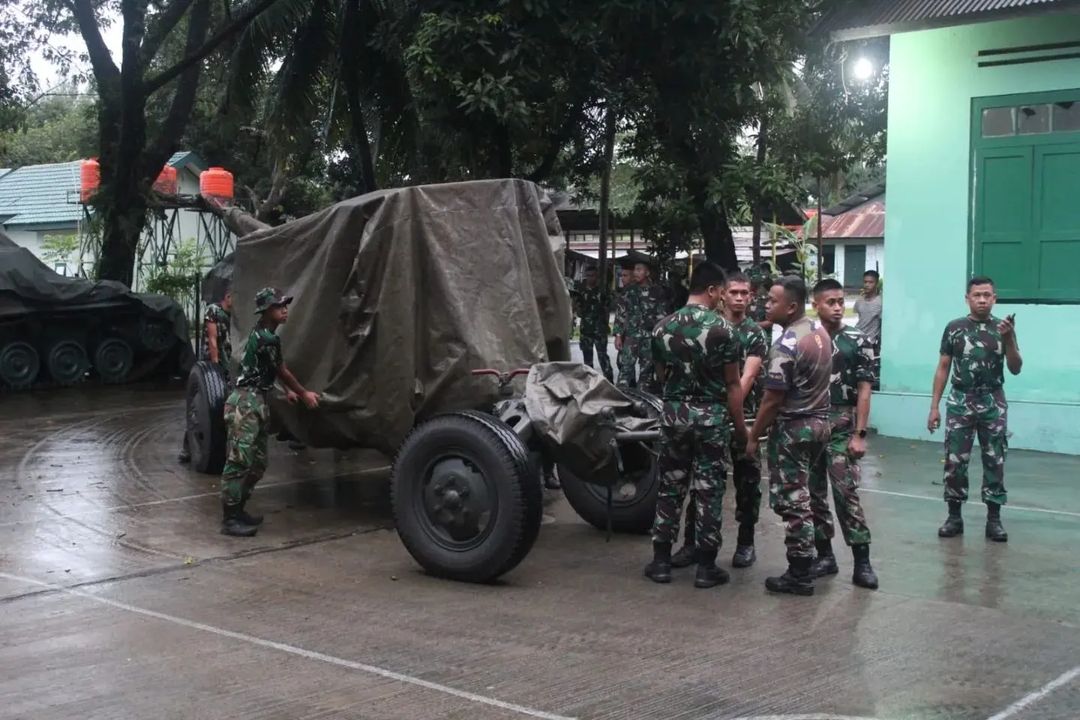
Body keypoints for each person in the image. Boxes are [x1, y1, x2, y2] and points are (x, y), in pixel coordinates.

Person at [643, 261, 748, 589]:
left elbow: (660, 376)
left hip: (673, 416)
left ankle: (661, 562)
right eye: (722, 291)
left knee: (670, 487)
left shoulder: (661, 328)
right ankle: (705, 567)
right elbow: (733, 385)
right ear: (714, 290)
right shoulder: (724, 331)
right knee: (709, 490)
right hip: (710, 420)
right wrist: (741, 429)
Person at [671, 271, 767, 569]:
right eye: (734, 292)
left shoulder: (754, 333)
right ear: (722, 294)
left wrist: (731, 406)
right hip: (707, 417)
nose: (740, 298)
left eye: (745, 293)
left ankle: (745, 543)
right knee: (702, 483)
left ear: (751, 296)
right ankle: (691, 544)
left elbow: (747, 377)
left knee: (747, 480)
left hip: (744, 418)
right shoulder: (708, 326)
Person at [746, 276, 832, 596]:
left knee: (793, 501)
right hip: (819, 424)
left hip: (794, 430)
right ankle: (813, 559)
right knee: (808, 496)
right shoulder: (819, 333)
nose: (766, 305)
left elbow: (771, 400)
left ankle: (799, 573)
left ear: (791, 306)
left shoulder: (786, 346)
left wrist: (754, 436)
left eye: (772, 301)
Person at [220, 287, 320, 537]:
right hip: (245, 403)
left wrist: (283, 391)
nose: (285, 309)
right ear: (266, 311)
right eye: (278, 306)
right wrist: (304, 392)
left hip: (256, 400)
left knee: (257, 463)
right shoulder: (267, 338)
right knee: (240, 461)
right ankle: (230, 518)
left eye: (285, 304)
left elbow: (263, 371)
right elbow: (282, 370)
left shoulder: (263, 334)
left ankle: (239, 509)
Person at [928, 276, 1022, 543]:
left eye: (987, 295)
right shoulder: (954, 328)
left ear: (995, 298)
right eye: (977, 295)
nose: (982, 300)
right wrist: (934, 406)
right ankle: (954, 516)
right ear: (967, 298)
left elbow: (1015, 367)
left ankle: (994, 519)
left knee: (995, 459)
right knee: (955, 460)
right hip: (960, 401)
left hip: (993, 401)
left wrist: (1010, 337)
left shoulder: (1002, 329)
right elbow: (943, 367)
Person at [808, 279, 878, 589]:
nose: (837, 307)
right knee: (812, 495)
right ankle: (824, 555)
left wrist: (860, 434)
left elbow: (864, 389)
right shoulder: (804, 338)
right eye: (830, 302)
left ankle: (862, 562)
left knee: (845, 491)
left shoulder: (858, 339)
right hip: (809, 422)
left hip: (842, 422)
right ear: (816, 304)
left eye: (840, 302)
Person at [179, 289, 234, 464]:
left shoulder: (233, 315)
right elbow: (212, 340)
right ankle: (188, 447)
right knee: (201, 408)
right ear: (227, 296)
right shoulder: (213, 311)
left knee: (224, 408)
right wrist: (216, 366)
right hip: (209, 368)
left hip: (227, 364)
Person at [614, 260, 667, 393]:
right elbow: (620, 312)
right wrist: (618, 335)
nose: (636, 273)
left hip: (649, 338)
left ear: (647, 272)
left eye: (639, 270)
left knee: (646, 372)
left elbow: (663, 315)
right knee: (625, 368)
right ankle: (620, 399)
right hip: (631, 337)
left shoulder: (657, 291)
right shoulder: (628, 291)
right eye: (635, 270)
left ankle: (642, 402)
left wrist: (660, 336)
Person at [574, 265, 613, 382]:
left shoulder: (603, 290)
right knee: (587, 359)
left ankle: (609, 381)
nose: (591, 278)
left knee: (603, 357)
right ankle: (590, 383)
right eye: (589, 276)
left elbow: (608, 308)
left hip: (600, 330)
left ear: (597, 277)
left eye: (593, 276)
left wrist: (605, 324)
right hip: (586, 330)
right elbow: (578, 309)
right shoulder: (580, 290)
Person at [853, 270, 882, 349]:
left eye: (870, 282)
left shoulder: (880, 302)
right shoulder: (859, 301)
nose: (867, 285)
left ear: (876, 284)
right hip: (856, 339)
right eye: (865, 282)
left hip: (870, 343)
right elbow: (861, 318)